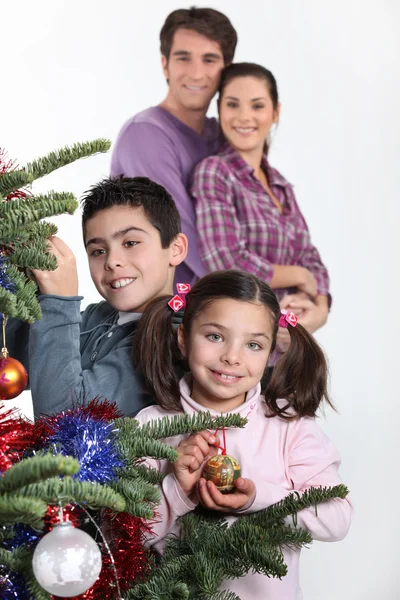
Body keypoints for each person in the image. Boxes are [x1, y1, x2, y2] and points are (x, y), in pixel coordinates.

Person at [133, 270, 352, 599]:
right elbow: (124, 538)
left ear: (270, 354)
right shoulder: (152, 426)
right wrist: (176, 489)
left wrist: (258, 498)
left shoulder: (288, 426)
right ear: (183, 338)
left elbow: (337, 517)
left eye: (253, 344)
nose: (232, 357)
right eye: (215, 336)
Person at [6, 177, 188, 418]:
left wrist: (60, 302)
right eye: (98, 251)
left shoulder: (174, 338)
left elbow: (61, 419)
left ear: (176, 249)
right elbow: (19, 360)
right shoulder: (97, 317)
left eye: (131, 242)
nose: (112, 261)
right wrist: (22, 282)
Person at [190, 63, 331, 354]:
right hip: (236, 350)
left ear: (275, 112)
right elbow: (226, 261)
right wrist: (300, 277)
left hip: (287, 354)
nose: (244, 117)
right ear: (219, 109)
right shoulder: (214, 172)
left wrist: (320, 308)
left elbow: (310, 256)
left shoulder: (279, 184)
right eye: (232, 104)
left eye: (257, 106)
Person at [110, 7, 237, 285]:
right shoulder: (145, 135)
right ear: (165, 64)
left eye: (209, 59)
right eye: (183, 58)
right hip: (163, 317)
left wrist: (312, 297)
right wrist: (267, 306)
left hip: (224, 311)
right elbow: (188, 240)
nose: (196, 73)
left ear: (226, 69)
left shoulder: (225, 136)